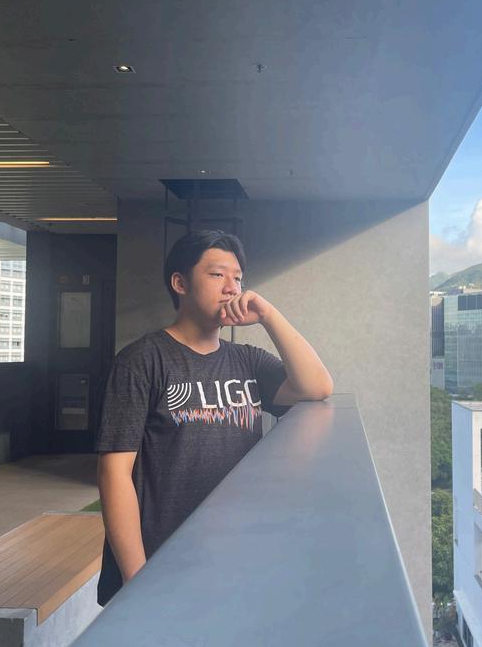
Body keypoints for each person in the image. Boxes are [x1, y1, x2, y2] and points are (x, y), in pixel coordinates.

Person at [95, 229, 333, 606]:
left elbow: (317, 386)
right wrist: (136, 578)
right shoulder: (141, 361)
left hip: (232, 558)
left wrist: (268, 315)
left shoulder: (247, 361)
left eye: (238, 278)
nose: (231, 288)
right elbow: (114, 473)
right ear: (180, 283)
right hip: (161, 564)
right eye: (217, 274)